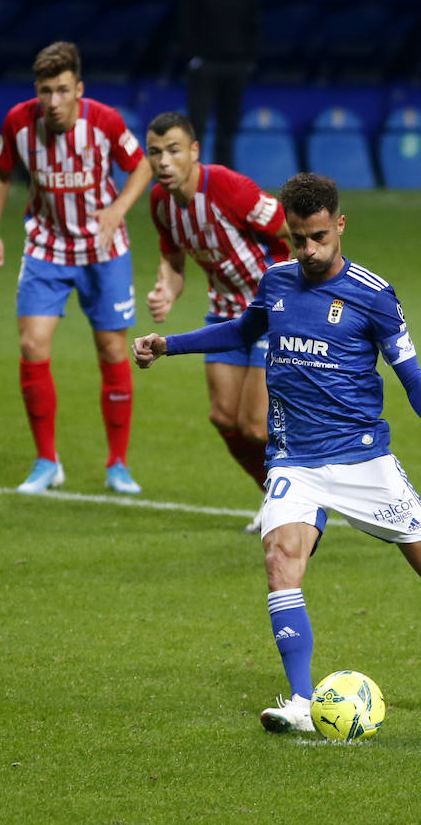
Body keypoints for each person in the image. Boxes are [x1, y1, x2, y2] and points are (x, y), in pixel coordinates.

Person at [132, 173, 421, 733]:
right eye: (298, 238)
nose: (309, 250)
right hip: (294, 459)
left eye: (319, 236)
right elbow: (244, 331)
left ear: (340, 225)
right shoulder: (275, 283)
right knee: (280, 563)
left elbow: (410, 373)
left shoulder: (373, 294)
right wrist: (169, 344)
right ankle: (301, 702)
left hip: (364, 461)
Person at [0, 41, 152, 495]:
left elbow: (141, 167)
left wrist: (117, 209)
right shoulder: (19, 122)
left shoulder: (105, 122)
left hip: (103, 248)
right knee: (32, 345)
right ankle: (46, 461)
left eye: (61, 90)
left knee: (113, 351)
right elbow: (0, 172)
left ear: (79, 88)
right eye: (44, 91)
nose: (53, 102)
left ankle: (117, 464)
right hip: (46, 246)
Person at [144, 111, 292, 532]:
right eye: (155, 153)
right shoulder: (161, 203)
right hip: (226, 311)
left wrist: (302, 291)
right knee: (224, 419)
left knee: (254, 423)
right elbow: (173, 263)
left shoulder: (227, 187)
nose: (164, 162)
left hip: (270, 309)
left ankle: (299, 495)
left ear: (193, 151)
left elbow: (290, 228)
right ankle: (274, 497)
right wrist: (165, 291)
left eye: (173, 151)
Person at [179, 0, 260, 169]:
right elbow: (185, 25)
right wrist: (193, 59)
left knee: (229, 126)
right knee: (197, 125)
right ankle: (188, 174)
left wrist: (247, 62)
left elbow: (253, 28)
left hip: (236, 67)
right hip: (204, 66)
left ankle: (225, 178)